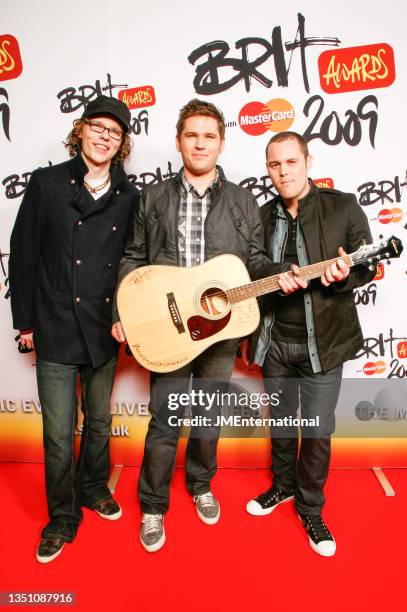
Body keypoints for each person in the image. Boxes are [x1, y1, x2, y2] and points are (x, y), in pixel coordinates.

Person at [112, 99, 300, 553]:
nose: (200, 143)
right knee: (165, 419)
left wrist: (281, 271)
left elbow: (252, 261)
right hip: (167, 327)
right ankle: (154, 505)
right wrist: (123, 313)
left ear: (221, 142)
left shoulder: (241, 200)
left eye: (209, 135)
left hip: (221, 327)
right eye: (191, 135)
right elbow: (135, 258)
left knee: (209, 414)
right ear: (179, 141)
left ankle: (200, 485)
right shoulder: (153, 197)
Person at [9, 95, 139, 563]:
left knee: (100, 424)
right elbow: (23, 253)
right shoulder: (46, 184)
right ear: (81, 130)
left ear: (122, 144)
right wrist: (24, 321)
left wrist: (129, 316)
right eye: (98, 127)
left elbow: (132, 263)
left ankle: (93, 488)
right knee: (59, 434)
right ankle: (62, 519)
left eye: (115, 132)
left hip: (106, 327)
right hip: (56, 325)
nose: (105, 136)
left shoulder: (129, 195)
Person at [242, 131, 374, 557]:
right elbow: (253, 264)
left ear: (307, 161)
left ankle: (310, 507)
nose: (284, 172)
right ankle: (281, 486)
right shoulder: (261, 216)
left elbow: (366, 265)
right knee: (282, 424)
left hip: (325, 345)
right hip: (275, 343)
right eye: (275, 165)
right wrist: (278, 271)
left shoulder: (343, 206)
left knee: (316, 430)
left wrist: (344, 276)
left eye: (291, 163)